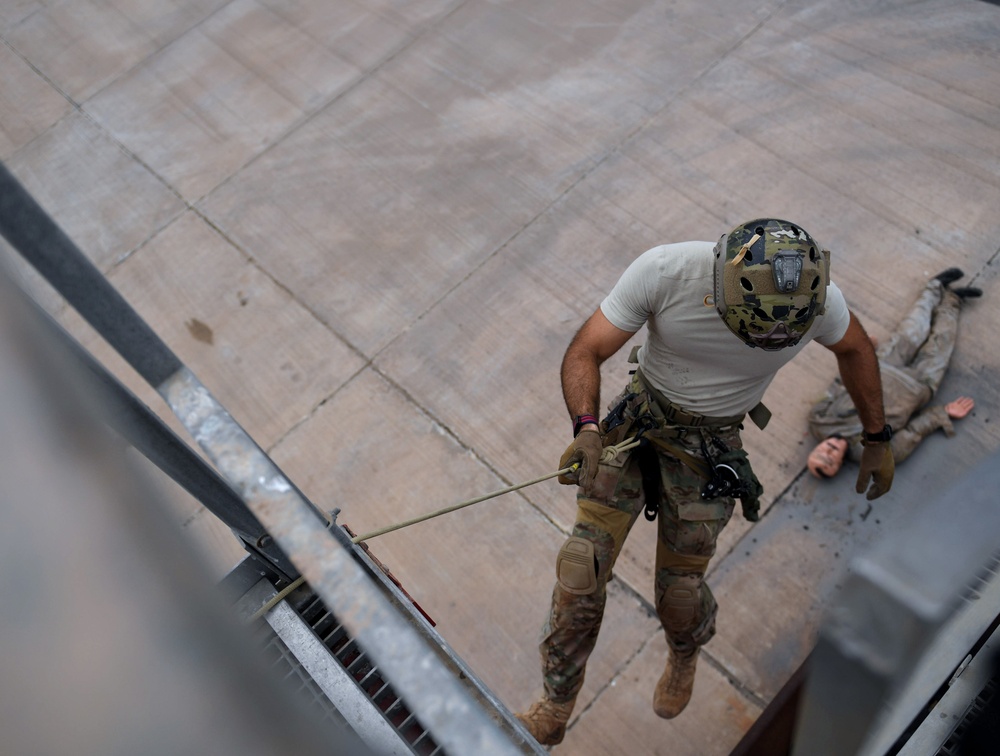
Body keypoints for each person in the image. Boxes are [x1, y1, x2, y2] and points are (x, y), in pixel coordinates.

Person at [516, 218, 895, 746]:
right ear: (722, 289)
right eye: (755, 331)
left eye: (780, 338)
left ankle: (684, 650)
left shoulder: (817, 299)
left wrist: (877, 436)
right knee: (580, 571)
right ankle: (556, 702)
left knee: (680, 595)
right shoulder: (666, 272)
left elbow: (855, 349)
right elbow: (586, 349)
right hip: (638, 427)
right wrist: (585, 427)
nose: (767, 343)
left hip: (709, 451)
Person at [807, 268, 980, 479]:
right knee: (942, 341)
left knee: (914, 327)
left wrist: (858, 355)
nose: (828, 452)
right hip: (918, 385)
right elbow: (913, 432)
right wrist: (942, 413)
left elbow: (838, 384)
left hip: (883, 366)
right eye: (830, 461)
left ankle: (935, 287)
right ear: (839, 466)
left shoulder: (818, 419)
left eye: (820, 453)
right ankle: (953, 301)